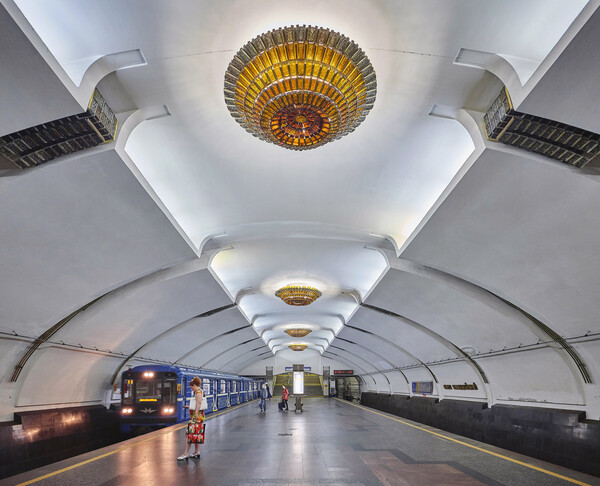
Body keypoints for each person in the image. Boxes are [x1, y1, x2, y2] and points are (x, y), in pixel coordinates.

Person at [178, 377, 205, 460]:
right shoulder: (199, 392)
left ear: (194, 385)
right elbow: (197, 404)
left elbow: (199, 403)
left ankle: (186, 453)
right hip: (197, 416)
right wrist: (189, 407)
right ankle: (196, 452)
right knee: (195, 434)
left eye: (191, 387)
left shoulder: (198, 393)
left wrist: (196, 413)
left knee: (188, 435)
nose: (191, 389)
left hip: (196, 417)